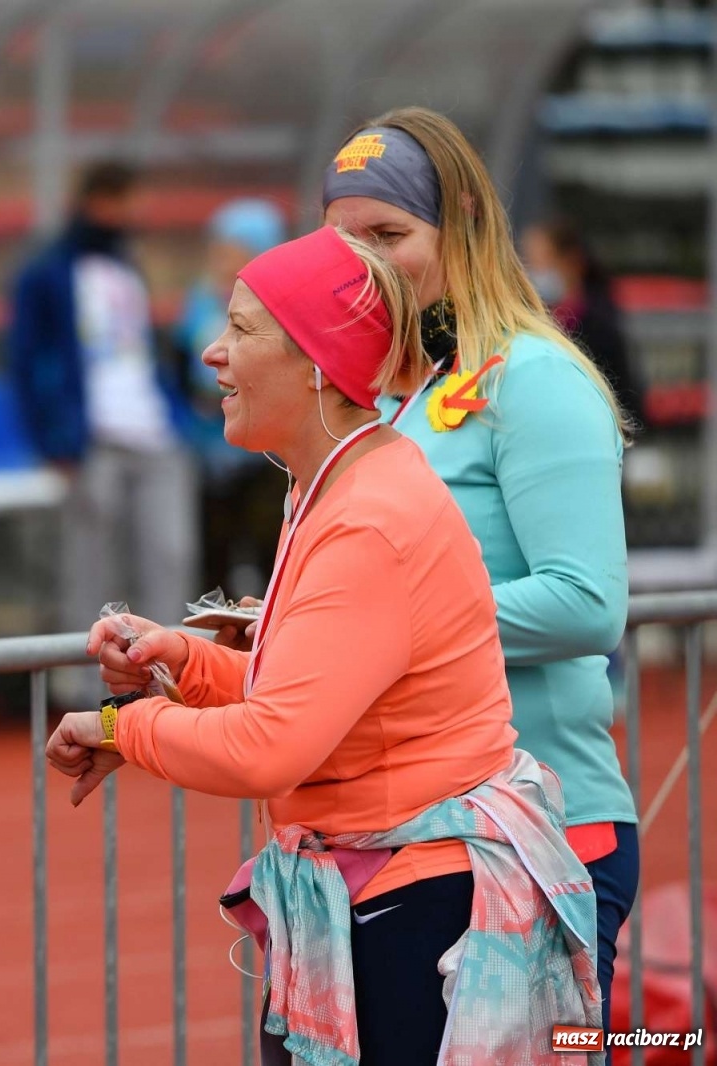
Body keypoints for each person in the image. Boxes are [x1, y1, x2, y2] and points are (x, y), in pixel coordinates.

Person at [49, 226, 601, 1064]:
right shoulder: (336, 480)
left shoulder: (366, 515)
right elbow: (314, 691)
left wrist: (122, 728)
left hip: (415, 907)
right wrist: (183, 663)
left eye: (240, 329)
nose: (211, 352)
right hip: (390, 887)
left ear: (315, 362)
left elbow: (272, 744)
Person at [322, 107, 639, 1026]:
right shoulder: (400, 393)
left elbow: (586, 603)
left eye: (390, 235)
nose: (367, 263)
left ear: (460, 224)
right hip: (418, 835)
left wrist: (383, 628)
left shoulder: (533, 377)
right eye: (344, 240)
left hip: (542, 833)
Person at [6, 160, 196, 671]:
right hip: (93, 442)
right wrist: (53, 442)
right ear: (100, 201)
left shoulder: (128, 266)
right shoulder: (46, 271)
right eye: (127, 202)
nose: (136, 213)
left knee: (169, 559)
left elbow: (141, 351)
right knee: (93, 577)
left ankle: (168, 682)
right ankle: (93, 695)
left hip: (156, 435)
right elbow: (26, 360)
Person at [172, 197, 289, 595]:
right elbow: (180, 365)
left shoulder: (281, 304)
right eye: (219, 248)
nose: (222, 259)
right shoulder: (202, 300)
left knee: (269, 550)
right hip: (210, 451)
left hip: (269, 455)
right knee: (214, 555)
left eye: (234, 249)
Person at [522, 216, 646, 427]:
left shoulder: (600, 326)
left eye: (542, 260)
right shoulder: (532, 320)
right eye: (528, 260)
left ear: (570, 261)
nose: (532, 270)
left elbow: (624, 400)